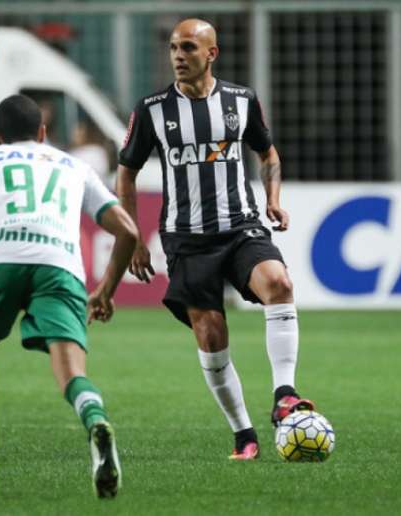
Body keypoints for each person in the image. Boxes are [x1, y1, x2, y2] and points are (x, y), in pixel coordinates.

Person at [117, 19, 315, 460]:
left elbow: (268, 152)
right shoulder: (151, 109)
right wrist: (132, 237)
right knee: (210, 334)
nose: (177, 56)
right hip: (186, 238)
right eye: (172, 48)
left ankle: (285, 393)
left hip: (241, 225)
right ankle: (244, 435)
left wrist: (274, 199)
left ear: (211, 54)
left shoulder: (241, 101)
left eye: (188, 47)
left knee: (279, 284)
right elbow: (126, 172)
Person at [0, 94, 138, 497]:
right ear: (43, 132)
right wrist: (106, 291)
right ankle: (95, 420)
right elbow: (128, 232)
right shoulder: (75, 166)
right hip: (58, 264)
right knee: (72, 373)